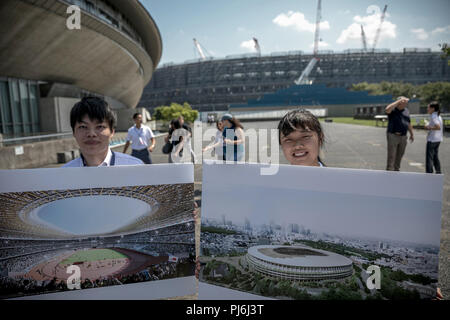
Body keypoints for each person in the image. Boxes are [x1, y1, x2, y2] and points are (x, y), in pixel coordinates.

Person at [63, 97, 143, 167]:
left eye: (100, 126)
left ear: (112, 131)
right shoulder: (62, 176)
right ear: (74, 132)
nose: (91, 134)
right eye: (83, 127)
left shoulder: (134, 167)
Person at [385, 96, 414, 171]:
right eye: (404, 103)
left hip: (403, 136)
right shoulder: (393, 110)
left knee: (400, 155)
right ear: (399, 103)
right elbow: (387, 109)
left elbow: (409, 123)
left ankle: (396, 170)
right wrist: (399, 101)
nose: (405, 105)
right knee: (392, 156)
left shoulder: (406, 110)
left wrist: (411, 134)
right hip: (393, 135)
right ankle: (389, 171)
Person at [425, 101, 443, 174]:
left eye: (428, 107)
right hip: (438, 139)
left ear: (433, 108)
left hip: (432, 140)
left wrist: (428, 127)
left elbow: (438, 127)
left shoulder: (434, 115)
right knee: (435, 157)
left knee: (429, 158)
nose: (427, 109)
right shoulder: (438, 115)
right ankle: (438, 171)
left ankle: (429, 173)